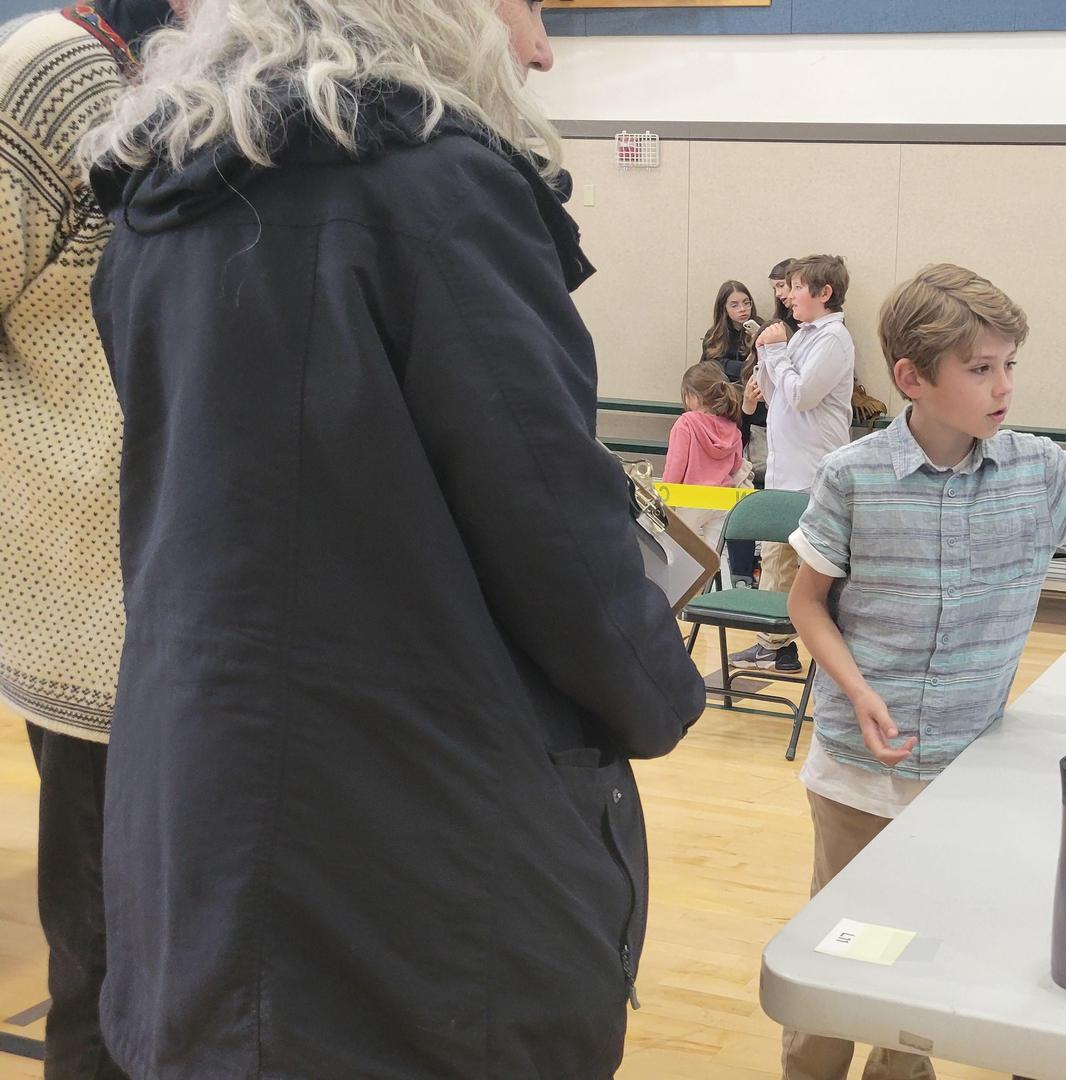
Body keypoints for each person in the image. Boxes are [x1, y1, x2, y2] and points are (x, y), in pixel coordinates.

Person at [80, 0, 706, 1073]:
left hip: (195, 825)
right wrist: (658, 690)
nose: (541, 46)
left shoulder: (157, 207)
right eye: (528, 3)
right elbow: (557, 535)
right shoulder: (438, 192)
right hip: (417, 858)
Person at [780, 263, 1066, 1080]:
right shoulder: (853, 476)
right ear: (911, 378)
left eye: (1009, 365)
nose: (1004, 387)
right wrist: (858, 691)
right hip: (855, 780)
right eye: (980, 368)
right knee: (834, 963)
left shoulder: (1039, 471)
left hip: (966, 779)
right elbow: (807, 605)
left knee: (915, 968)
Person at [0, 3, 182, 1075]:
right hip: (93, 622)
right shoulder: (56, 64)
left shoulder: (223, 71)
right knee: (110, 979)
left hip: (207, 607)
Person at [733, 254, 855, 673]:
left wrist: (777, 350)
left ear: (824, 293)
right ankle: (774, 646)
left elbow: (803, 395)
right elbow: (777, 395)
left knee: (816, 567)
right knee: (776, 558)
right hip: (784, 470)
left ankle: (836, 658)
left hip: (815, 473)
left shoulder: (834, 338)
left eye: (798, 287)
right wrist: (764, 354)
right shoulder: (801, 334)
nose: (788, 296)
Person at [704, 278, 768, 585]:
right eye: (734, 304)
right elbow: (708, 377)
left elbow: (764, 374)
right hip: (727, 421)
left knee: (754, 489)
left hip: (757, 421)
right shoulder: (713, 338)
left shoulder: (762, 332)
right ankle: (739, 572)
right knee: (733, 491)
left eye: (746, 302)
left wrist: (757, 347)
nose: (742, 309)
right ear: (723, 308)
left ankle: (754, 569)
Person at [666, 361, 748, 552]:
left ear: (692, 396)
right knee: (713, 555)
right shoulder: (732, 428)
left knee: (682, 551)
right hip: (722, 498)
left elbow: (676, 463)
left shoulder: (686, 423)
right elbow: (736, 465)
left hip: (690, 497)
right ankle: (711, 574)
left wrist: (667, 495)